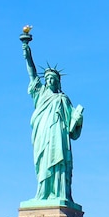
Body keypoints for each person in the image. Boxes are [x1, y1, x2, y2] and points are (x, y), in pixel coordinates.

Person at [22, 40, 83, 205]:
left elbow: (72, 126)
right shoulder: (40, 94)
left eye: (52, 79)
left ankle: (60, 193)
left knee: (59, 162)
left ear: (58, 82)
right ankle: (42, 194)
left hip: (59, 136)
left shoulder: (63, 99)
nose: (49, 81)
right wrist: (28, 55)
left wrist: (77, 119)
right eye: (47, 78)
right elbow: (32, 74)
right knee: (43, 163)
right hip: (43, 134)